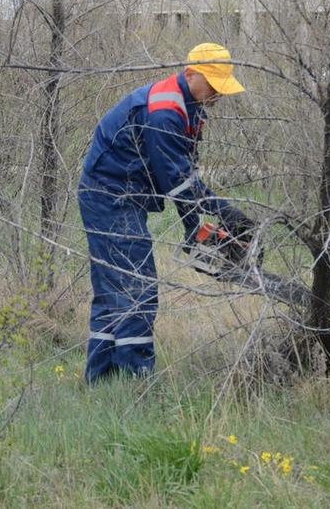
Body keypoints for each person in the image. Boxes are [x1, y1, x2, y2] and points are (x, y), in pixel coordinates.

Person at [78, 43, 255, 382]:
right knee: (137, 287)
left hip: (121, 194)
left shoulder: (192, 109)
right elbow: (177, 180)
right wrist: (226, 213)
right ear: (191, 74)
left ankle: (101, 381)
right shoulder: (166, 111)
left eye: (223, 85)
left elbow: (182, 173)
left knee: (112, 291)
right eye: (214, 83)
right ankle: (136, 380)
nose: (219, 92)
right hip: (110, 195)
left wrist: (195, 228)